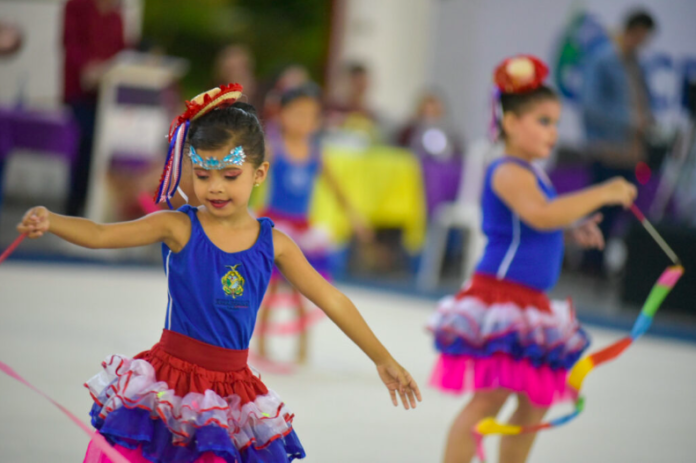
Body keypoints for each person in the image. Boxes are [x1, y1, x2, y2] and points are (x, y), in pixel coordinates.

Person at [17, 84, 420, 463]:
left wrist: (382, 358)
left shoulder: (274, 243)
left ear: (259, 174)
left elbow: (332, 299)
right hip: (171, 384)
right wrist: (52, 220)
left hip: (233, 393)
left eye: (230, 176)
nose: (215, 188)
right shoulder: (177, 226)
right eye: (203, 175)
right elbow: (102, 234)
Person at [427, 56, 637, 463]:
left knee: (535, 399)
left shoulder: (531, 172)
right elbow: (539, 214)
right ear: (509, 122)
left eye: (556, 123)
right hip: (503, 297)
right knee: (488, 401)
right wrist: (603, 192)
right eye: (543, 121)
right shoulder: (507, 170)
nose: (553, 132)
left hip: (530, 301)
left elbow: (542, 217)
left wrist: (571, 226)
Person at [257, 83, 372, 364]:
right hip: (274, 225)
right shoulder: (273, 148)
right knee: (268, 288)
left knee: (303, 289)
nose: (304, 122)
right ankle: (260, 343)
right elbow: (249, 179)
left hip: (302, 231)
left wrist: (355, 217)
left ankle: (302, 346)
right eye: (297, 114)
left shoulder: (315, 152)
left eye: (311, 116)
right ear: (281, 115)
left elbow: (336, 188)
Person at [581, 9, 657, 273]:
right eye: (641, 36)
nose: (642, 43)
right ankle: (590, 263)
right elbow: (590, 105)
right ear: (632, 31)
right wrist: (632, 121)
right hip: (607, 147)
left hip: (630, 150)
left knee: (618, 209)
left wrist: (647, 121)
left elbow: (641, 103)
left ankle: (599, 262)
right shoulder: (603, 58)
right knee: (600, 207)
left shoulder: (634, 63)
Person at [62, 0, 126, 216]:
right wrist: (88, 69)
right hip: (81, 92)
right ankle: (75, 205)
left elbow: (121, 50)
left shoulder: (116, 15)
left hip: (108, 95)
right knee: (85, 145)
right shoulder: (77, 6)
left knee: (103, 149)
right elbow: (70, 43)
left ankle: (95, 205)